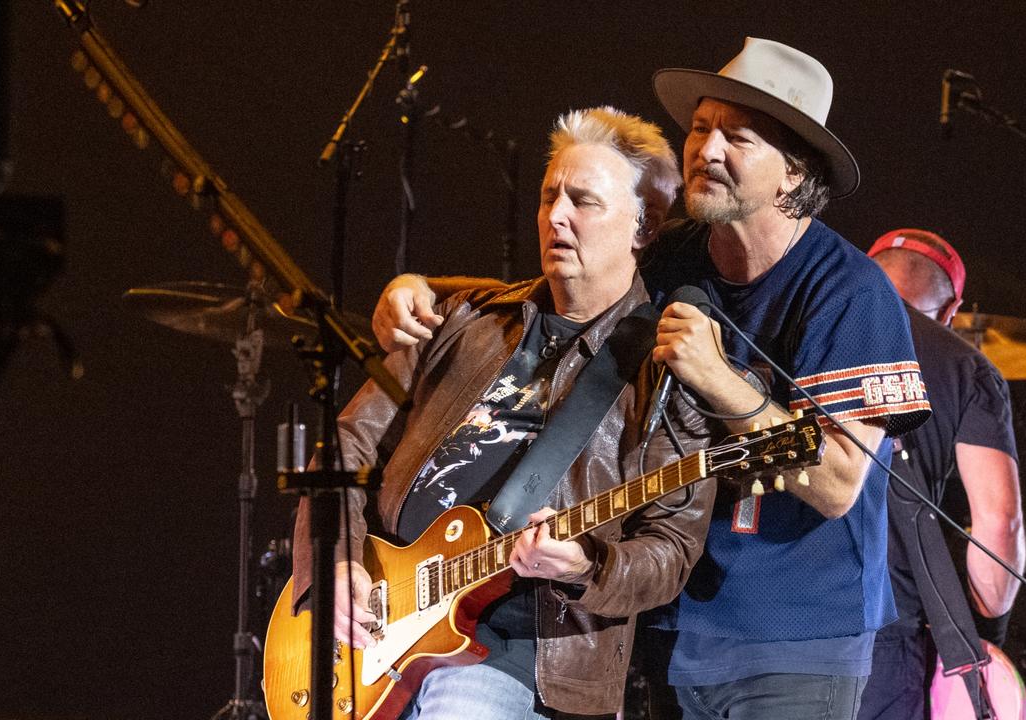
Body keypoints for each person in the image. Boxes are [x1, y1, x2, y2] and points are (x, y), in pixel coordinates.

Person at [371, 39, 931, 719]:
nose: (707, 150)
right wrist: (419, 288)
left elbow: (842, 483)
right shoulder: (667, 259)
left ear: (792, 173)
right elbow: (544, 298)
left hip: (792, 641)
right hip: (664, 625)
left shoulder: (850, 291)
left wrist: (721, 382)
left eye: (739, 137)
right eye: (700, 128)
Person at [291, 106, 715, 720]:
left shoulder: (666, 371)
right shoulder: (466, 319)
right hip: (377, 625)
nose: (557, 217)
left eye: (584, 201)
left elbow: (670, 551)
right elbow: (347, 446)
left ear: (643, 229)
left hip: (518, 649)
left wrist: (587, 565)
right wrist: (334, 563)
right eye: (549, 197)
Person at [860, 228, 1026, 720]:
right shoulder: (966, 369)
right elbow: (1000, 524)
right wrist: (984, 638)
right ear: (952, 309)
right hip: (884, 630)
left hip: (763, 622)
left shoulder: (803, 331)